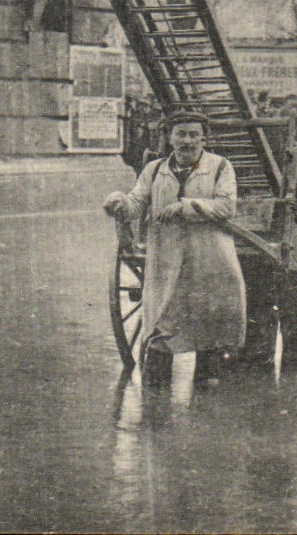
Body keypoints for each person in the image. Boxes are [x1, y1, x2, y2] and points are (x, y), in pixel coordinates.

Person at [102, 110, 244, 388]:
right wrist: (120, 203)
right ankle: (156, 401)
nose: (187, 141)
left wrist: (185, 207)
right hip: (165, 258)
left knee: (208, 324)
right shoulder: (154, 170)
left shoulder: (220, 167)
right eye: (181, 134)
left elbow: (227, 206)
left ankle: (207, 392)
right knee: (161, 321)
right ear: (169, 138)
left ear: (204, 139)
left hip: (209, 257)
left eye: (194, 135)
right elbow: (137, 202)